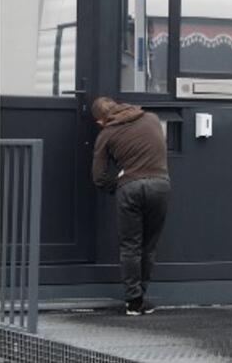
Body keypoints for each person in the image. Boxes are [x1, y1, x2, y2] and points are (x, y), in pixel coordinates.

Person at [91, 97, 171, 316]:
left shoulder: (106, 134)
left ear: (101, 120)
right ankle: (141, 296)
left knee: (130, 246)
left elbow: (98, 177)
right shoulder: (151, 118)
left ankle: (134, 302)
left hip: (130, 188)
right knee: (149, 246)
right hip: (160, 184)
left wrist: (116, 186)